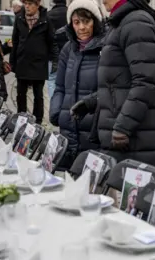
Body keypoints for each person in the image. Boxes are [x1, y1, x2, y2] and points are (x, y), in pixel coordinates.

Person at [70, 0, 155, 169]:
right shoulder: (121, 22)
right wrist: (92, 102)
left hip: (136, 141)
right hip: (124, 138)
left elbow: (145, 81)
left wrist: (124, 126)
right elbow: (118, 82)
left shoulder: (136, 23)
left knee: (132, 194)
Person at [49, 0, 104, 169]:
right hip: (67, 126)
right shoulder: (68, 49)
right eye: (76, 22)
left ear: (95, 21)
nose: (81, 27)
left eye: (86, 21)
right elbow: (59, 87)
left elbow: (108, 90)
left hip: (93, 129)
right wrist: (56, 112)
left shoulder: (105, 49)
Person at [11, 0, 56, 124]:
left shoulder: (46, 20)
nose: (27, 6)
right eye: (25, 4)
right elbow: (15, 41)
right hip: (22, 61)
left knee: (38, 95)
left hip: (39, 63)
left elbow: (52, 42)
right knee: (21, 93)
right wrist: (13, 61)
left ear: (37, 5)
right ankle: (21, 118)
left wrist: (54, 60)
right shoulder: (19, 19)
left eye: (30, 4)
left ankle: (38, 121)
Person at [47, 0, 68, 98]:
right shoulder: (70, 13)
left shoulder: (49, 15)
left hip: (53, 56)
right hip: (69, 54)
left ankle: (54, 106)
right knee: (68, 80)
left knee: (52, 81)